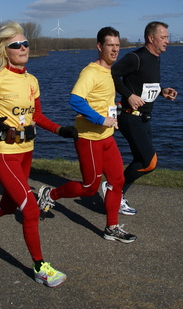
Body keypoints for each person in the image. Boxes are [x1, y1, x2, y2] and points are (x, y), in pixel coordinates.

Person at [0, 22, 77, 287]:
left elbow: (38, 116)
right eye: (15, 45)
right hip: (4, 153)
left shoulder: (32, 80)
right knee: (31, 210)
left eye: (25, 44)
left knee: (9, 206)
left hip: (26, 151)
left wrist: (60, 130)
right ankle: (40, 267)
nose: (22, 48)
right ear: (5, 51)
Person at [37, 27, 136, 244]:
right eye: (110, 45)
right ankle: (50, 195)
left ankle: (111, 227)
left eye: (117, 45)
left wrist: (116, 108)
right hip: (89, 138)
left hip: (107, 137)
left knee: (117, 180)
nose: (115, 50)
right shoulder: (90, 72)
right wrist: (101, 120)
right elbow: (75, 100)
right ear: (99, 46)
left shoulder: (110, 71)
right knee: (90, 187)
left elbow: (102, 100)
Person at [106, 21, 178, 215]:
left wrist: (162, 92)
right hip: (130, 116)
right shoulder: (135, 57)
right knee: (149, 162)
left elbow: (144, 85)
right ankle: (114, 190)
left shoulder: (155, 58)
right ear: (151, 38)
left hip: (145, 118)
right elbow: (111, 73)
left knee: (141, 159)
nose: (167, 41)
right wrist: (128, 95)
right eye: (163, 37)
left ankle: (115, 193)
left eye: (167, 37)